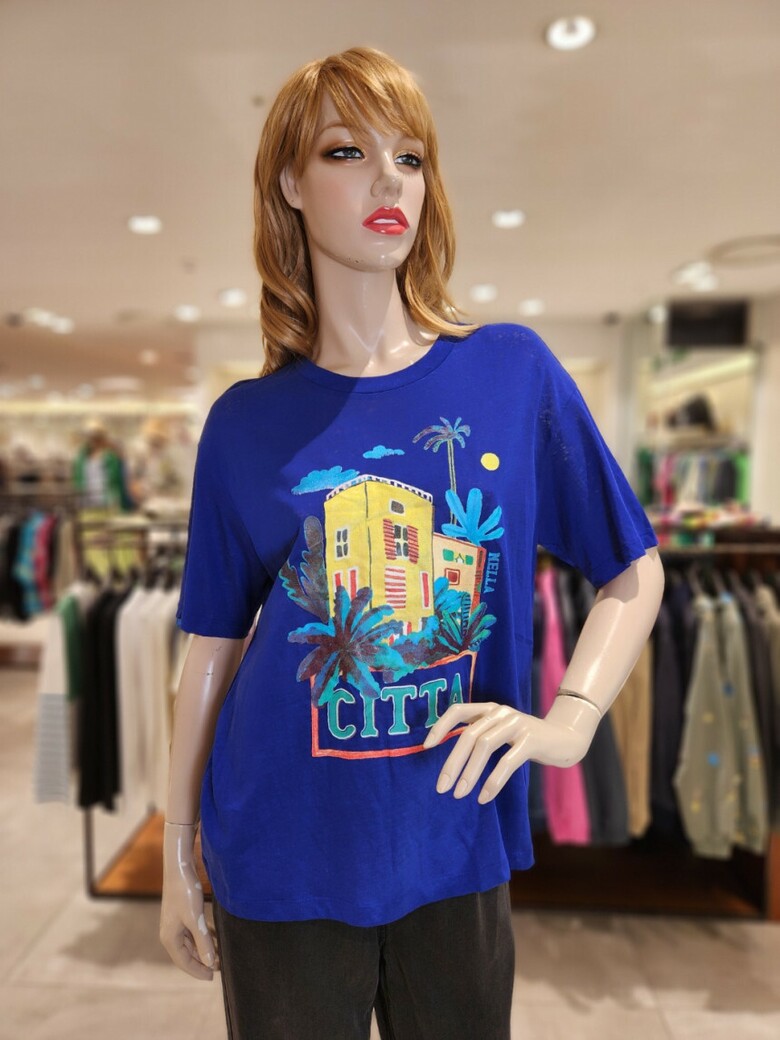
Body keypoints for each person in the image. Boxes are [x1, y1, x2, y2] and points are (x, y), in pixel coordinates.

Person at [160, 46, 665, 1039]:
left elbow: (632, 568)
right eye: (347, 152)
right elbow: (212, 643)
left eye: (410, 156)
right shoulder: (245, 423)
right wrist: (178, 845)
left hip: (454, 831)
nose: (388, 180)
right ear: (290, 185)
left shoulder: (511, 371)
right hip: (280, 838)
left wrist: (570, 720)